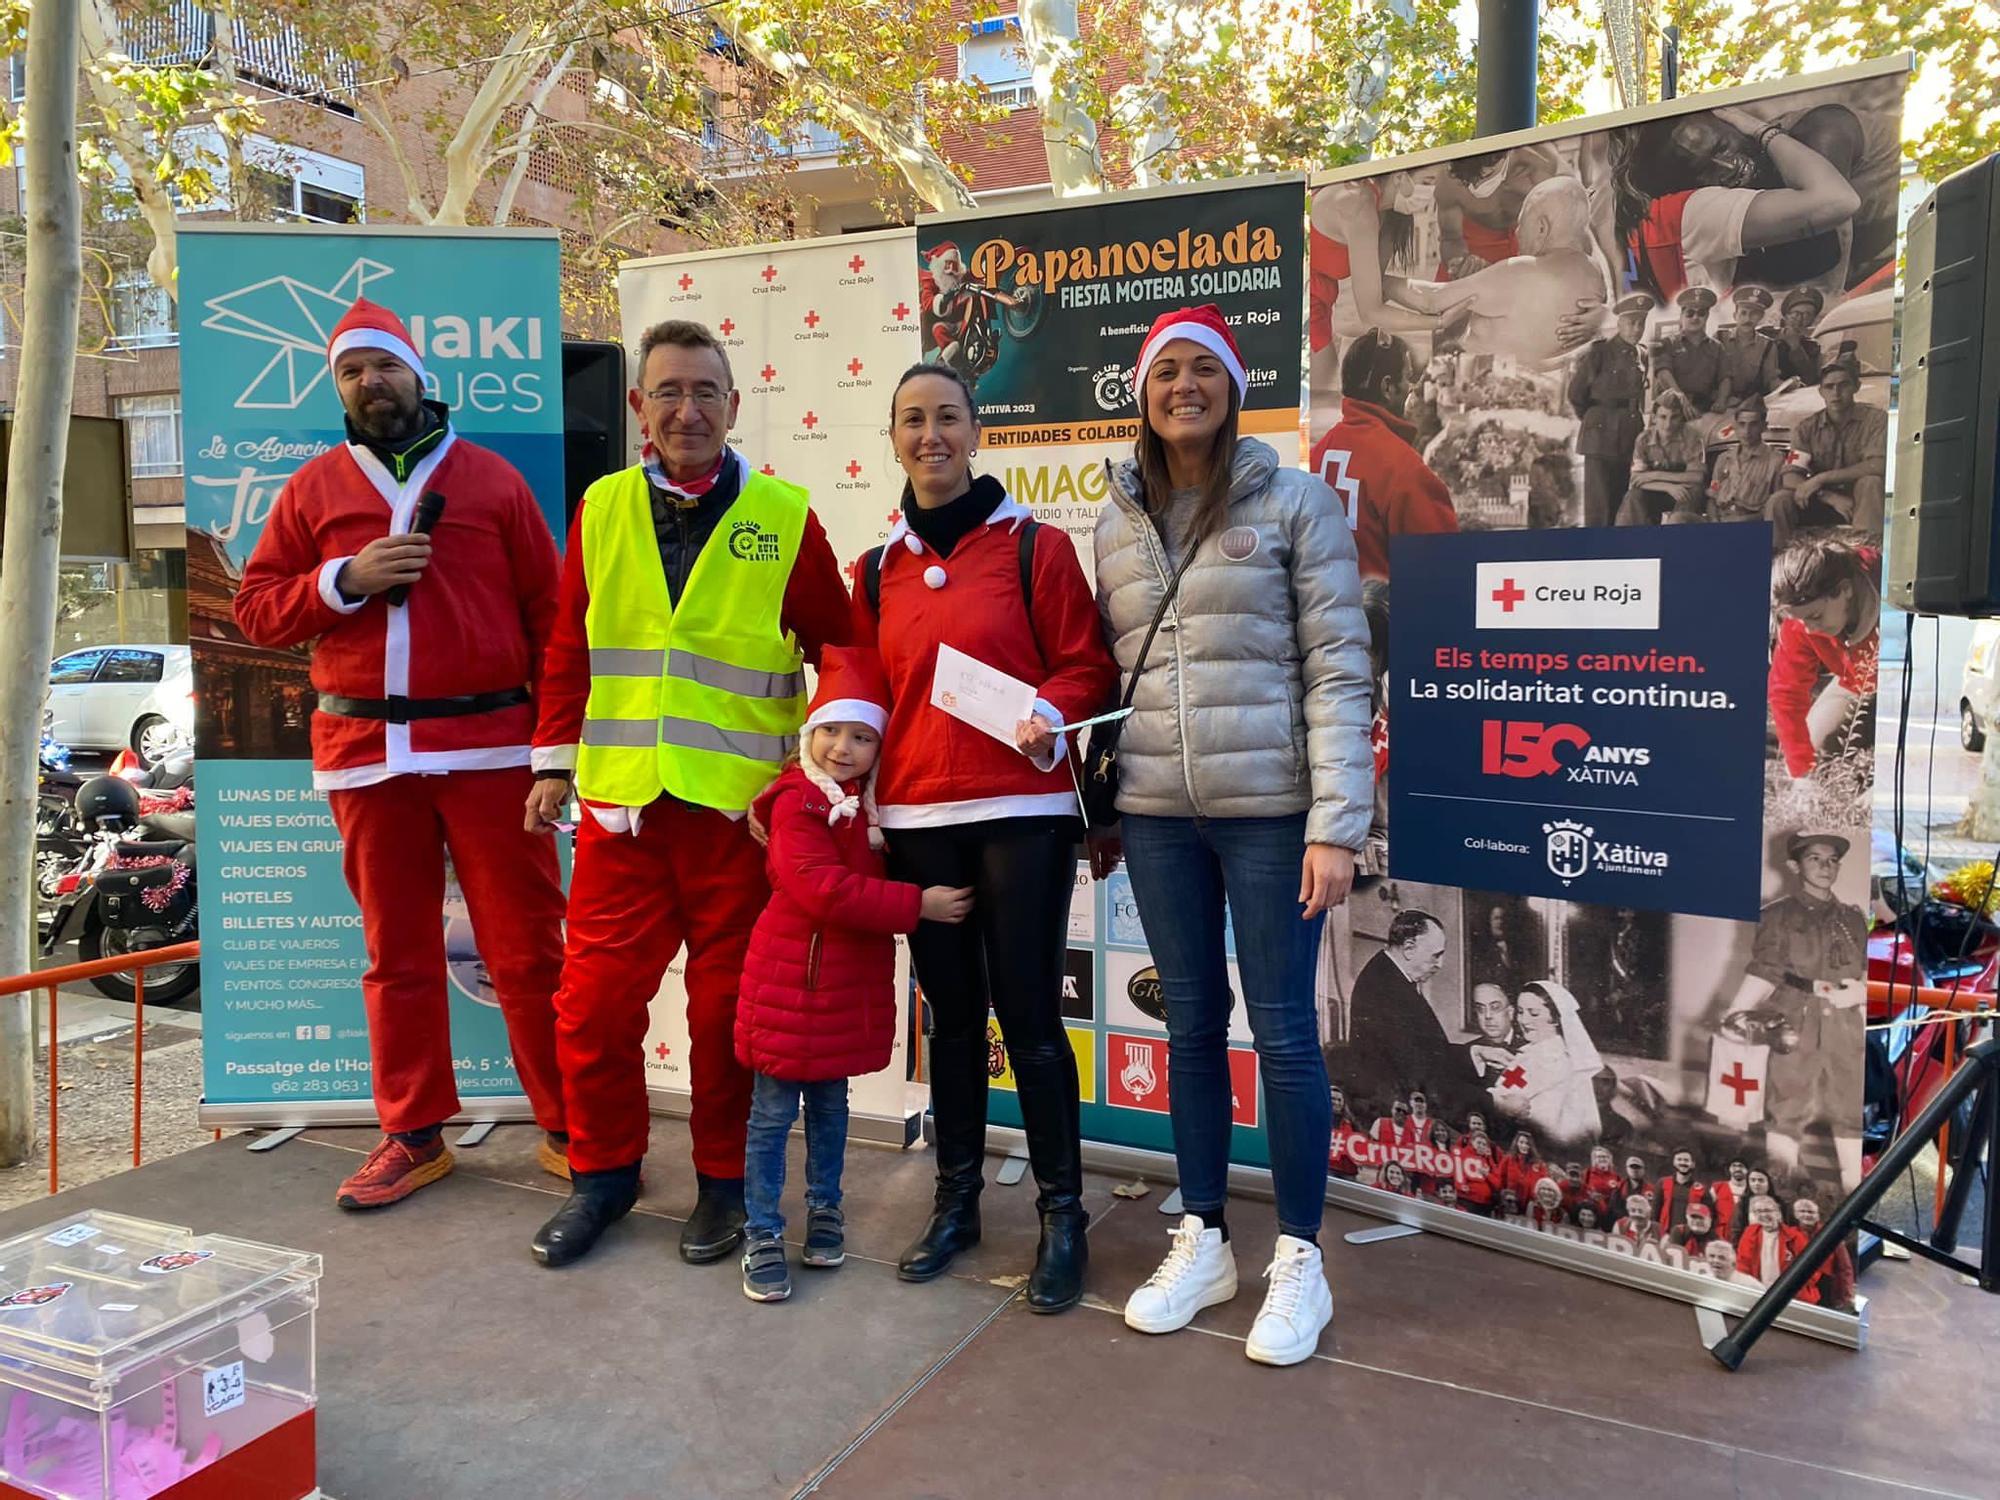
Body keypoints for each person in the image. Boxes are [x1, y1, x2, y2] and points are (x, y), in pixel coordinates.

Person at [524, 319, 853, 1269]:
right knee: (589, 1009)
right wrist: (550, 763)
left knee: (722, 1017)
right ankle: (605, 1177)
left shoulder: (786, 514)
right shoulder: (602, 508)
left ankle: (723, 1183)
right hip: (623, 812)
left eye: (706, 392)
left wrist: (832, 770)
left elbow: (843, 644)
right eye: (667, 391)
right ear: (638, 409)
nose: (687, 409)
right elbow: (568, 645)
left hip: (739, 822)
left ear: (734, 406)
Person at [234, 297, 569, 1211]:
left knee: (530, 945)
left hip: (492, 748)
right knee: (397, 952)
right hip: (365, 750)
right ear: (337, 387)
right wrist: (344, 580)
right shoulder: (310, 491)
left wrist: (554, 753)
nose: (370, 383)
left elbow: (552, 624)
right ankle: (414, 1132)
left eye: (383, 366)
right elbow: (257, 609)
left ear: (418, 374)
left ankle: (569, 1122)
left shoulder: (494, 482)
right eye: (351, 371)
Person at [1101, 306, 1372, 1367]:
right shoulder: (1113, 520)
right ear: (1141, 391)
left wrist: (1333, 824)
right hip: (1158, 818)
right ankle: (1204, 1235)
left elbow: (1339, 668)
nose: (1182, 387)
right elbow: (1107, 672)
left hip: (1270, 816)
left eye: (1200, 370)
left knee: (1286, 1038)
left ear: (1231, 386)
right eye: (1163, 371)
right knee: (1189, 1032)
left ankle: (1298, 1259)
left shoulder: (1296, 502)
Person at [854, 361, 1116, 1313]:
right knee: (952, 1021)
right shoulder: (872, 571)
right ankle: (955, 1202)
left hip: (1023, 814)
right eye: (912, 419)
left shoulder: (1034, 549)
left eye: (948, 418)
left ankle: (1061, 1218)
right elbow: (859, 696)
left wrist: (1053, 706)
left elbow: (1089, 667)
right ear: (894, 438)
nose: (931, 435)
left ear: (975, 432)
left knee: (1033, 1021)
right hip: (919, 819)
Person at [731, 648, 974, 1303]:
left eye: (862, 736)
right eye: (832, 730)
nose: (844, 747)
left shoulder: (871, 813)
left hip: (842, 991)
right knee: (771, 1117)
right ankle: (760, 1232)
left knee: (832, 1111)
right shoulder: (795, 802)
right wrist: (915, 903)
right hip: (788, 990)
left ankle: (826, 1213)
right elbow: (819, 888)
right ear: (809, 734)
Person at [1724, 832, 1869, 1188]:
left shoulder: (1853, 919)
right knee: (1787, 1107)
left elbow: (1867, 969)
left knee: (1850, 1108)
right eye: (1815, 859)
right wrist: (1737, 1009)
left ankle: (1854, 1195)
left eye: (1832, 860)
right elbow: (1765, 970)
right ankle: (1783, 1191)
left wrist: (1862, 993)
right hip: (1794, 1018)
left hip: (1845, 1023)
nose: (1825, 866)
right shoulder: (1776, 916)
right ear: (1794, 866)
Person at [1605, 104, 1863, 301]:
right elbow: (1837, 203)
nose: (1729, 166)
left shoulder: (1821, 131)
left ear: (1733, 122)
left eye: (1722, 147)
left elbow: (1839, 204)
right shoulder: (1699, 207)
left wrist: (1761, 130)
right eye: (1704, 171)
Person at [1393, 176, 1612, 367]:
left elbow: (1431, 300)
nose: (1516, 233)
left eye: (1521, 224)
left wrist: (1377, 281)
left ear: (1542, 228)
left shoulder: (1522, 270)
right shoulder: (1594, 273)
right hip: (1544, 389)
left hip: (1487, 393)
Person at [1308, 328, 1457, 581]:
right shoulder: (1404, 469)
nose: (1411, 387)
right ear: (1388, 387)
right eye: (1408, 378)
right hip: (1383, 618)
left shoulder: (1317, 454)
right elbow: (1444, 569)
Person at [1768, 534, 1880, 782]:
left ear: (1845, 590)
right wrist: (1802, 770)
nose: (1808, 629)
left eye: (1816, 616)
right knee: (1814, 760)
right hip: (1856, 684)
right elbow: (1786, 693)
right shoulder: (1801, 620)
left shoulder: (1888, 592)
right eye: (1800, 620)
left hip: (1906, 693)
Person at [1346, 911, 1478, 1121]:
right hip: (1394, 1115)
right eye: (1436, 955)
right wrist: (1491, 1101)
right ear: (1409, 948)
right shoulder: (1384, 989)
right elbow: (1422, 1073)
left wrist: (1474, 1053)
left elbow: (1425, 1049)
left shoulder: (1392, 976)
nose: (1440, 964)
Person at [1772, 361, 1888, 542]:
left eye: (1843, 385)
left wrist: (1821, 478)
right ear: (1821, 392)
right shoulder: (1806, 428)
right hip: (1820, 500)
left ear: (1856, 387)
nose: (1836, 393)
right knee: (1779, 501)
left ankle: (1867, 555)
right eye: (1829, 387)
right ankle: (1778, 562)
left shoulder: (1876, 420)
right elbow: (1790, 476)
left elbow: (1878, 465)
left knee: (1871, 482)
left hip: (1858, 499)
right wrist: (1827, 495)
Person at [1480, 981, 1603, 1149]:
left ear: (1556, 1019)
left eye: (1534, 1013)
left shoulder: (1552, 1058)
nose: (1523, 1020)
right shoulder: (1534, 1052)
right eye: (1521, 1012)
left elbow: (1505, 1100)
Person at [1568, 294, 1653, 528]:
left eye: (1641, 323)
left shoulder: (1642, 354)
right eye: (1631, 322)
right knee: (1599, 510)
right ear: (1619, 322)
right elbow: (1576, 394)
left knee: (1620, 505)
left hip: (1629, 435)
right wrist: (1596, 418)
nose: (1636, 329)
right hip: (1600, 436)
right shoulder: (1599, 353)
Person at [1616, 389, 1708, 526]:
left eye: (1674, 417)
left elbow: (1697, 477)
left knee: (1690, 497)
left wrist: (1652, 475)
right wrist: (1668, 487)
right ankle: (1627, 540)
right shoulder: (1644, 439)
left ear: (1682, 417)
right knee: (1633, 496)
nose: (1668, 424)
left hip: (1685, 491)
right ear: (1654, 418)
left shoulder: (1693, 437)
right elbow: (1636, 479)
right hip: (1659, 489)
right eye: (1663, 417)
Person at [1706, 395, 1788, 524]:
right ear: (1735, 426)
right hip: (1720, 520)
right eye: (1742, 424)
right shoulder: (1724, 458)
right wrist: (1714, 521)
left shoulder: (1776, 460)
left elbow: (1776, 507)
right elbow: (1712, 497)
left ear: (1764, 426)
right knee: (1680, 519)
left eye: (1753, 425)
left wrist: (1742, 520)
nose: (1746, 431)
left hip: (1750, 523)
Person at [1653, 286, 1725, 416]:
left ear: (1707, 316)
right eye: (1690, 313)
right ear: (1681, 316)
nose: (1695, 318)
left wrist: (1721, 401)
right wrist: (1681, 398)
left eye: (1701, 313)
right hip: (1672, 408)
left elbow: (1725, 378)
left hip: (1704, 408)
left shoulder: (1717, 347)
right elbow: (1663, 373)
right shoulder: (1667, 343)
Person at [1715, 286, 1780, 410]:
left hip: (1750, 405)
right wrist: (1720, 399)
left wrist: (1787, 387)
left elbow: (1771, 379)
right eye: (1743, 313)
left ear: (1761, 317)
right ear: (1735, 315)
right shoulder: (1720, 338)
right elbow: (1709, 373)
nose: (1748, 319)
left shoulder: (1768, 345)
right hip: (1719, 402)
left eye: (1754, 314)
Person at [1736, 1195, 1814, 1296]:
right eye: (1759, 1211)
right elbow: (1743, 1263)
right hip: (1759, 1291)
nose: (1764, 1214)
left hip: (1791, 1294)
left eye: (1768, 1210)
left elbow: (1810, 1267)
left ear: (1777, 1213)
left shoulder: (1795, 1237)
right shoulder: (1750, 1233)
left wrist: (1795, 1289)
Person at [1794, 1197, 1856, 1311]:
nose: (1807, 1215)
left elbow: (1845, 1268)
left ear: (1817, 1215)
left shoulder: (1831, 1234)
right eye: (1802, 1211)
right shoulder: (1789, 1234)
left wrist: (1846, 1295)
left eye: (1811, 1212)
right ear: (1795, 1214)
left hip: (1825, 1286)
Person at [1772, 289, 1825, 386]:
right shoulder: (1768, 338)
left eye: (1807, 315)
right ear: (1786, 315)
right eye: (1796, 314)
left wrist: (1796, 347)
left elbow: (1810, 379)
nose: (1800, 319)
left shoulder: (1812, 347)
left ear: (1812, 320)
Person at [1653, 1149, 1707, 1232]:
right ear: (1674, 1162)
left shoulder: (1701, 1189)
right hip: (1664, 1233)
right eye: (1679, 1159)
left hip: (1689, 1235)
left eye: (1686, 1160)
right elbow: (1655, 1211)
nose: (1683, 1163)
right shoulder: (1662, 1183)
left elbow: (1706, 1216)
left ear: (1693, 1164)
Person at [1710, 1158, 1751, 1235]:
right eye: (1734, 1166)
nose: (1738, 1169)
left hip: (1745, 1235)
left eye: (1741, 1166)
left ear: (1747, 1170)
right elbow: (1708, 1212)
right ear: (1729, 1169)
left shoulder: (1751, 1190)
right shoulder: (1717, 1188)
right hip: (1720, 1235)